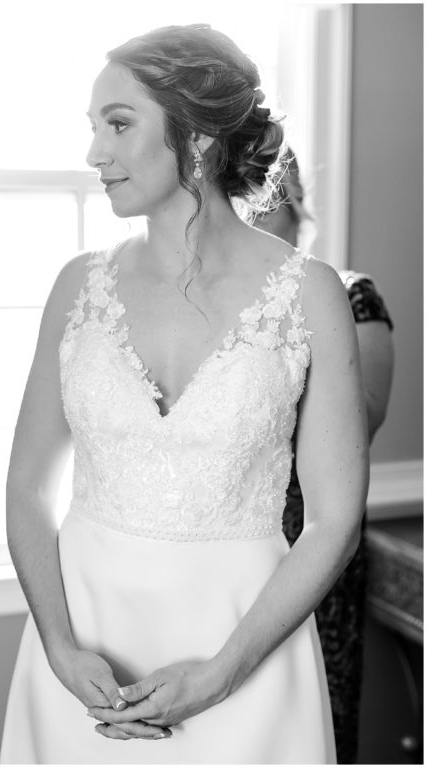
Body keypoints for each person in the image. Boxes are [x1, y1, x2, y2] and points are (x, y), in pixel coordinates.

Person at [0, 25, 367, 763]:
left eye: (119, 124)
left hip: (246, 654)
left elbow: (334, 521)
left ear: (195, 136)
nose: (93, 153)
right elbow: (26, 488)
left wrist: (221, 674)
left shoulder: (310, 294)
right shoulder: (77, 287)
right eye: (93, 127)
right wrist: (61, 648)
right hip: (83, 657)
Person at [254, 147, 395, 763]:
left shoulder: (351, 295)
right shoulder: (219, 302)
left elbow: (361, 418)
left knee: (314, 715)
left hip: (314, 529)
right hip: (230, 530)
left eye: (260, 195)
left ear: (285, 199)